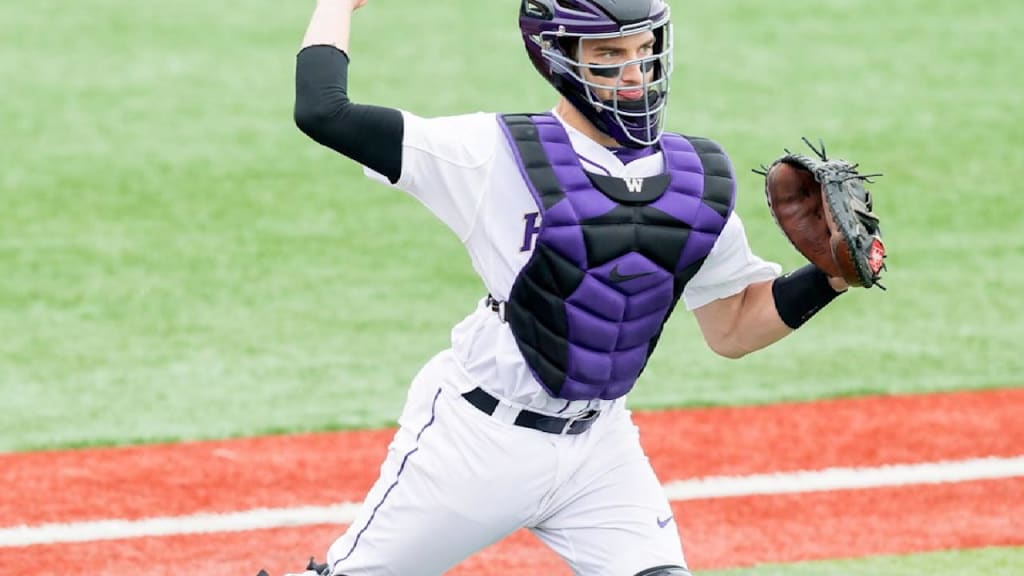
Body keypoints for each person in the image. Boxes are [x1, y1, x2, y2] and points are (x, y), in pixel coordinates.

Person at [278, 1, 851, 574]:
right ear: (556, 58)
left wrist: (829, 279)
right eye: (608, 56)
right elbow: (325, 113)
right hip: (476, 441)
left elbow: (732, 328)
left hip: (600, 447)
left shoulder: (696, 180)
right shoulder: (489, 152)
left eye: (643, 51)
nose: (633, 74)